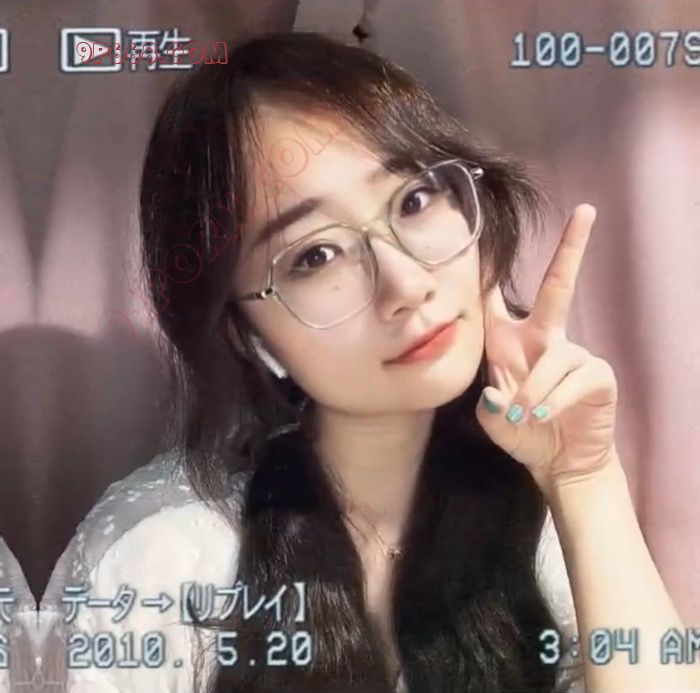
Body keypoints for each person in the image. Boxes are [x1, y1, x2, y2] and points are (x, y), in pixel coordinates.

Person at [43, 31, 699, 693]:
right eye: (315, 256)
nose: (406, 283)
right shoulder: (163, 560)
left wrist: (585, 478)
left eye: (414, 201)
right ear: (243, 333)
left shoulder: (533, 510)